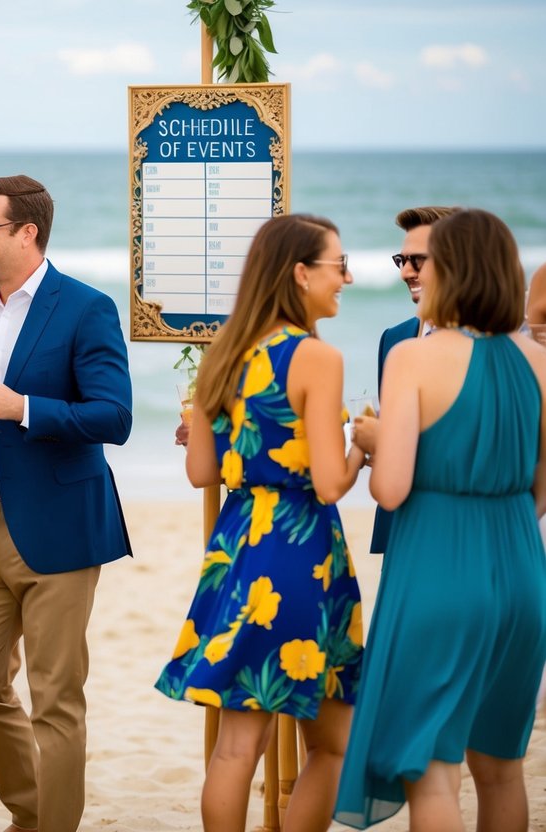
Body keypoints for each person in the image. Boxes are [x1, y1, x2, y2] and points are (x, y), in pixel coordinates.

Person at [0, 174, 132, 832]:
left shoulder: (85, 308)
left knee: (54, 699)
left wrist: (24, 409)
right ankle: (33, 809)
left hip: (61, 527)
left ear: (26, 233)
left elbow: (114, 416)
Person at [156, 214, 366, 832]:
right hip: (301, 553)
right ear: (301, 273)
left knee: (234, 747)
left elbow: (201, 472)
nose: (346, 279)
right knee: (332, 745)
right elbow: (330, 483)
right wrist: (364, 445)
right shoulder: (316, 358)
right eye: (337, 266)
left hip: (239, 547)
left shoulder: (222, 355)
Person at [337, 209, 546, 831]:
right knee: (503, 769)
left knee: (430, 773)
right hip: (520, 574)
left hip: (438, 573)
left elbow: (392, 490)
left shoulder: (413, 357)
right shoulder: (537, 361)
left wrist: (372, 441)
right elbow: (540, 488)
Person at [368, 206, 456, 556]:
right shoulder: (393, 339)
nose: (405, 272)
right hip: (399, 527)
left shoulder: (489, 345)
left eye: (417, 261)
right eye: (401, 261)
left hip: (455, 530)